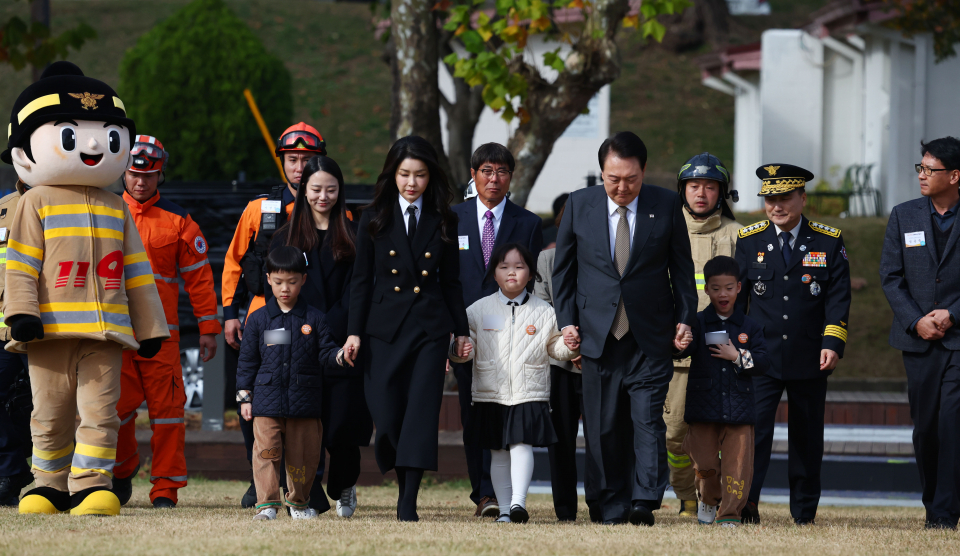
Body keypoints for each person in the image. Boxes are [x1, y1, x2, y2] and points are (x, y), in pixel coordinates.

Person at [2, 61, 168, 516]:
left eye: (109, 135)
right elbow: (19, 265)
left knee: (101, 415)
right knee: (49, 414)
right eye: (73, 135)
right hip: (49, 330)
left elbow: (137, 273)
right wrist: (21, 313)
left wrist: (151, 326)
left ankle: (92, 484)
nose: (95, 145)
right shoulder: (34, 201)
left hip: (106, 331)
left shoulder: (117, 207)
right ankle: (47, 484)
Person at [553, 131, 698, 525]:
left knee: (647, 421)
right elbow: (562, 274)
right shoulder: (578, 205)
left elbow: (683, 273)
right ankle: (609, 501)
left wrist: (686, 319)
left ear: (643, 172)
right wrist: (567, 323)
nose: (621, 187)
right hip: (597, 337)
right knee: (602, 428)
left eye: (630, 179)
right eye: (612, 179)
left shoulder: (666, 205)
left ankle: (644, 500)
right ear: (601, 173)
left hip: (649, 336)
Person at [342, 136, 469, 522]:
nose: (411, 183)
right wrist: (353, 332)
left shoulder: (445, 219)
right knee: (387, 414)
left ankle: (407, 500)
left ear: (431, 177)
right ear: (392, 174)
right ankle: (395, 463)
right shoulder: (372, 218)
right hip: (383, 330)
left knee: (420, 415)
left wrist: (460, 331)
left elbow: (451, 283)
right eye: (404, 174)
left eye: (420, 175)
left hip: (429, 330)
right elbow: (360, 281)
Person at [734, 163, 851, 525]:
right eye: (770, 199)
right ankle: (746, 506)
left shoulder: (829, 240)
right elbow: (738, 301)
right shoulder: (750, 239)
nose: (776, 207)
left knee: (806, 437)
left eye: (784, 198)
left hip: (809, 355)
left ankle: (803, 513)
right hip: (761, 357)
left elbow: (838, 298)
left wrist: (832, 341)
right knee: (753, 435)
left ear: (802, 198)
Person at [110, 135, 222, 509]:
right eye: (133, 174)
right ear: (122, 173)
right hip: (115, 336)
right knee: (114, 412)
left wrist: (209, 328)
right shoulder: (105, 213)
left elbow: (200, 278)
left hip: (164, 338)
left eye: (150, 175)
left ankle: (165, 490)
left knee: (168, 416)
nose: (140, 182)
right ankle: (122, 470)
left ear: (161, 175)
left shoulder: (179, 221)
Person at [221, 122, 326, 507]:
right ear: (283, 162)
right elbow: (234, 263)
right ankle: (260, 482)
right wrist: (231, 314)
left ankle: (309, 485)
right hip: (262, 322)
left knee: (311, 407)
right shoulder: (259, 209)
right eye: (293, 160)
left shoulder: (334, 210)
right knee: (257, 403)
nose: (300, 167)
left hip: (312, 326)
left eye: (308, 160)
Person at [267, 155, 373, 517]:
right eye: (315, 189)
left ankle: (344, 485)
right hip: (301, 346)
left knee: (342, 427)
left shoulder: (356, 235)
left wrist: (339, 326)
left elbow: (360, 289)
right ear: (303, 191)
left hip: (345, 343)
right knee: (300, 428)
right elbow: (278, 291)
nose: (323, 196)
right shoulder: (285, 237)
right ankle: (305, 497)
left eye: (330, 189)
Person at [451, 243, 577, 523]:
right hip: (490, 392)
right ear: (493, 273)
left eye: (519, 267)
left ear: (531, 274)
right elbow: (461, 343)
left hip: (528, 390)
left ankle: (519, 504)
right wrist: (459, 350)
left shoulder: (545, 311)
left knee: (521, 444)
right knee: (498, 451)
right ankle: (505, 510)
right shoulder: (477, 310)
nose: (512, 273)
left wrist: (569, 348)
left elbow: (555, 347)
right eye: (504, 267)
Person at [452, 142, 543, 517]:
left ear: (511, 177)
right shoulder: (452, 218)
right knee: (473, 412)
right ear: (473, 176)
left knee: (510, 411)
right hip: (465, 334)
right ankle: (484, 494)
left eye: (502, 171)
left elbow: (532, 283)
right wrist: (452, 334)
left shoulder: (528, 223)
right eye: (486, 171)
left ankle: (507, 494)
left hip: (512, 334)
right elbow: (447, 281)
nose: (494, 178)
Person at [879, 137, 960, 530]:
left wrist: (952, 314)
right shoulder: (903, 215)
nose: (922, 175)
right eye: (920, 168)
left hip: (959, 340)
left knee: (952, 424)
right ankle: (934, 504)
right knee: (926, 428)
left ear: (955, 175)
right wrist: (916, 320)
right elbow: (891, 278)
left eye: (931, 169)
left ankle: (945, 512)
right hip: (918, 341)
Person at [237, 246, 344, 520]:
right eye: (279, 282)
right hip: (266, 403)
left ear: (303, 280)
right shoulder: (259, 320)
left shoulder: (315, 319)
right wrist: (244, 398)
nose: (285, 288)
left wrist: (339, 356)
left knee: (304, 458)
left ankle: (298, 503)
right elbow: (247, 361)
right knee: (266, 454)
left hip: (305, 403)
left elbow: (326, 353)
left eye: (293, 282)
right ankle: (267, 505)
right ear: (268, 278)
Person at [664, 152, 741, 519]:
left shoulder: (737, 235)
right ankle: (685, 496)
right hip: (676, 352)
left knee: (719, 433)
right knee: (674, 434)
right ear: (682, 190)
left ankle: (713, 497)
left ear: (721, 192)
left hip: (720, 353)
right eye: (694, 186)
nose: (701, 193)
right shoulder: (664, 227)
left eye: (710, 187)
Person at [673, 256, 770, 527]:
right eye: (715, 289)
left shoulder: (750, 326)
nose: (722, 294)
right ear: (706, 290)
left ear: (739, 287)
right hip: (703, 407)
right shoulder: (697, 322)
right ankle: (708, 499)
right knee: (705, 465)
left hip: (740, 409)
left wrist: (737, 356)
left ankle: (730, 514)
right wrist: (681, 343)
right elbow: (682, 350)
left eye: (728, 287)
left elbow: (763, 362)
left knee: (737, 468)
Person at [535, 206, 599, 523]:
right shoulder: (546, 260)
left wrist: (588, 345)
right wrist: (570, 345)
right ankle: (564, 509)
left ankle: (601, 504)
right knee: (561, 438)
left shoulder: (605, 259)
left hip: (597, 361)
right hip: (559, 364)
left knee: (601, 437)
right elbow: (542, 307)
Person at [0, 179, 32, 507]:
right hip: (4, 330)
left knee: (58, 406)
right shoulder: (3, 207)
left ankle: (66, 482)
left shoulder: (69, 204)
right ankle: (11, 470)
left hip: (47, 331)